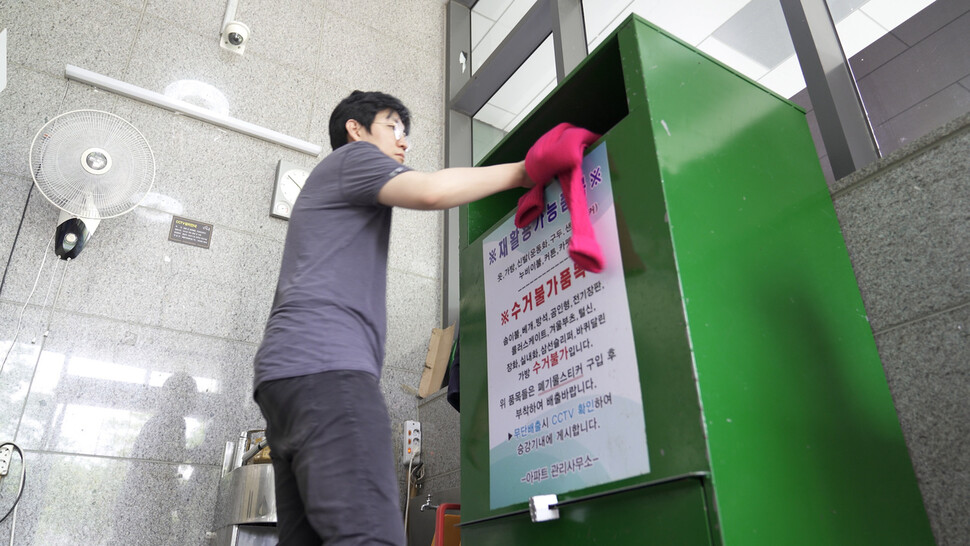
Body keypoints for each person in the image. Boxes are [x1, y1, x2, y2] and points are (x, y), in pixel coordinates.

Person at [253, 90, 533, 545]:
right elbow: (431, 190)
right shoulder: (353, 157)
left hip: (283, 381)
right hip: (327, 368)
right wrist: (524, 170)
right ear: (356, 129)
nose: (403, 142)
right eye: (393, 128)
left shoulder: (332, 186)